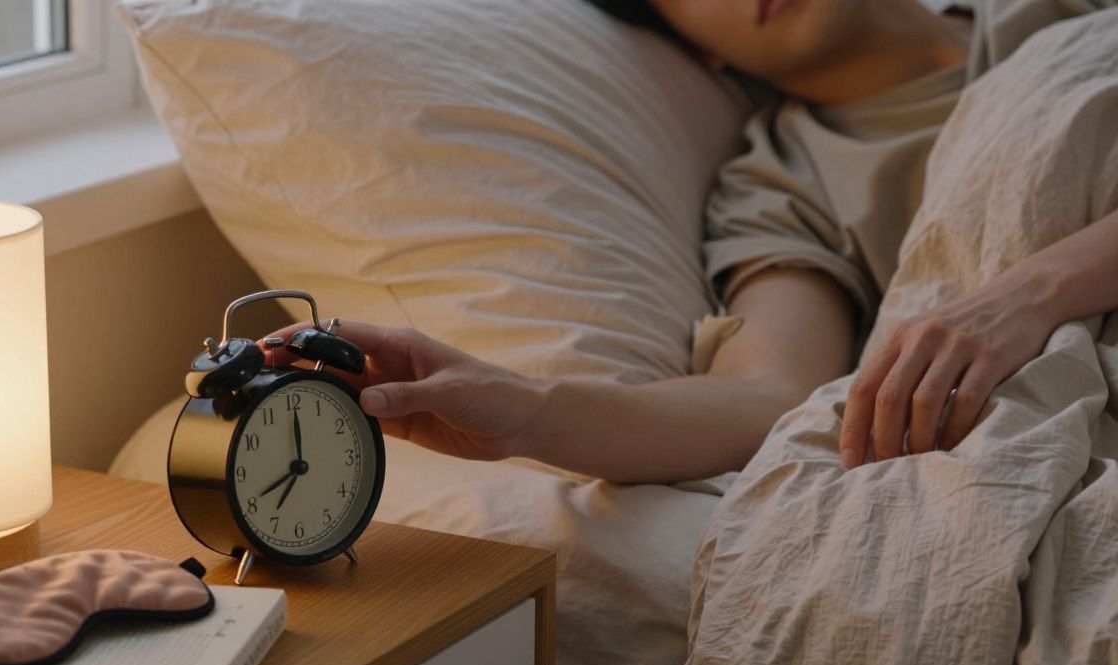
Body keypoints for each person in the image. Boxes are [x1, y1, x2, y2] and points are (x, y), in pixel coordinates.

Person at [270, 0, 1118, 484]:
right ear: (698, 51)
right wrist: (527, 410)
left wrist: (1031, 291)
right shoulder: (787, 182)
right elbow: (763, 395)